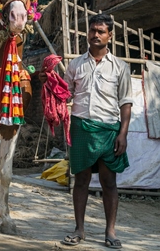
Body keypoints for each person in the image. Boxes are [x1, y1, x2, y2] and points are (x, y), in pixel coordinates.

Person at [40, 14, 132, 249]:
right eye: (92, 31)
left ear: (110, 35)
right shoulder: (75, 64)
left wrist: (123, 133)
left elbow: (126, 103)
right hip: (80, 127)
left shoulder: (120, 67)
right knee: (80, 181)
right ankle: (79, 230)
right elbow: (65, 93)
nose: (95, 35)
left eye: (101, 31)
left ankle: (110, 232)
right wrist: (50, 82)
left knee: (109, 182)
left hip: (110, 129)